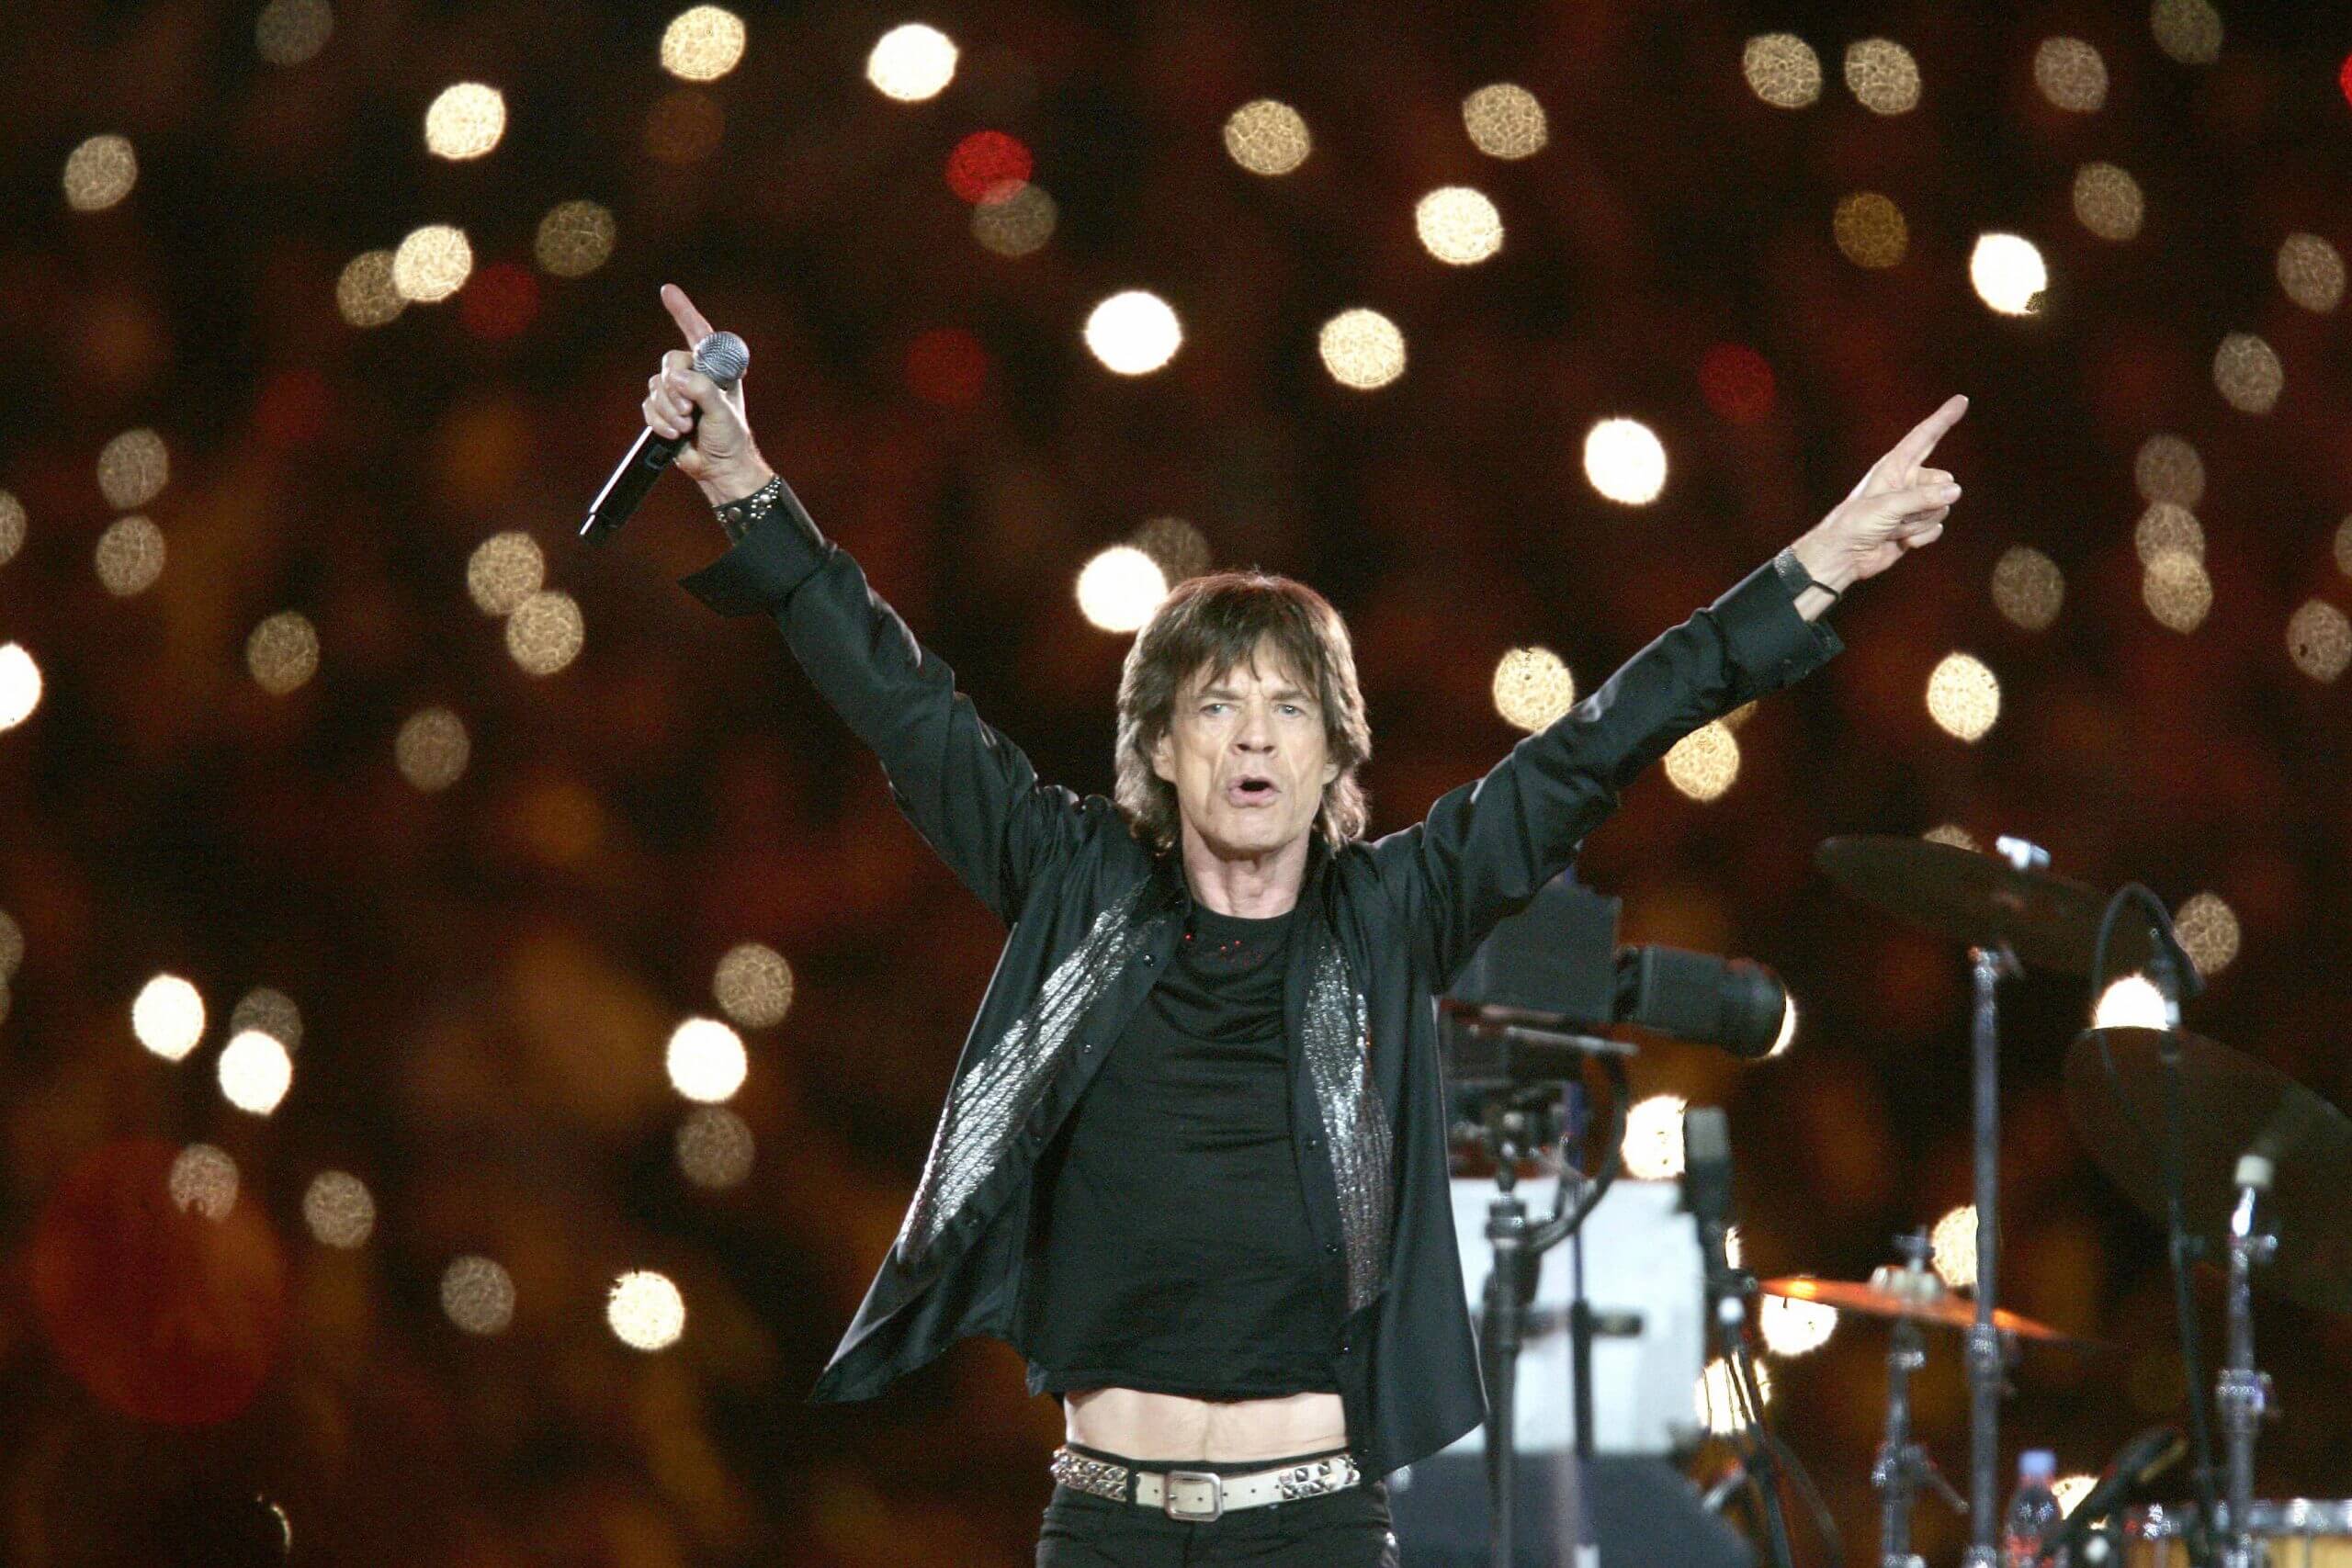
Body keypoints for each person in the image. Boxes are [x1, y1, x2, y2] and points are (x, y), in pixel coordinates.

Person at [639, 282, 1966, 1565]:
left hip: (1314, 1527)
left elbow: (1596, 746)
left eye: (1289, 708)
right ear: (1157, 748)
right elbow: (901, 701)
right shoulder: (1076, 880)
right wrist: (743, 483)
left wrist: (1817, 565)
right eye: (1216, 706)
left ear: (1339, 755)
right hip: (1103, 1522)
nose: (1254, 736)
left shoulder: (1395, 912)